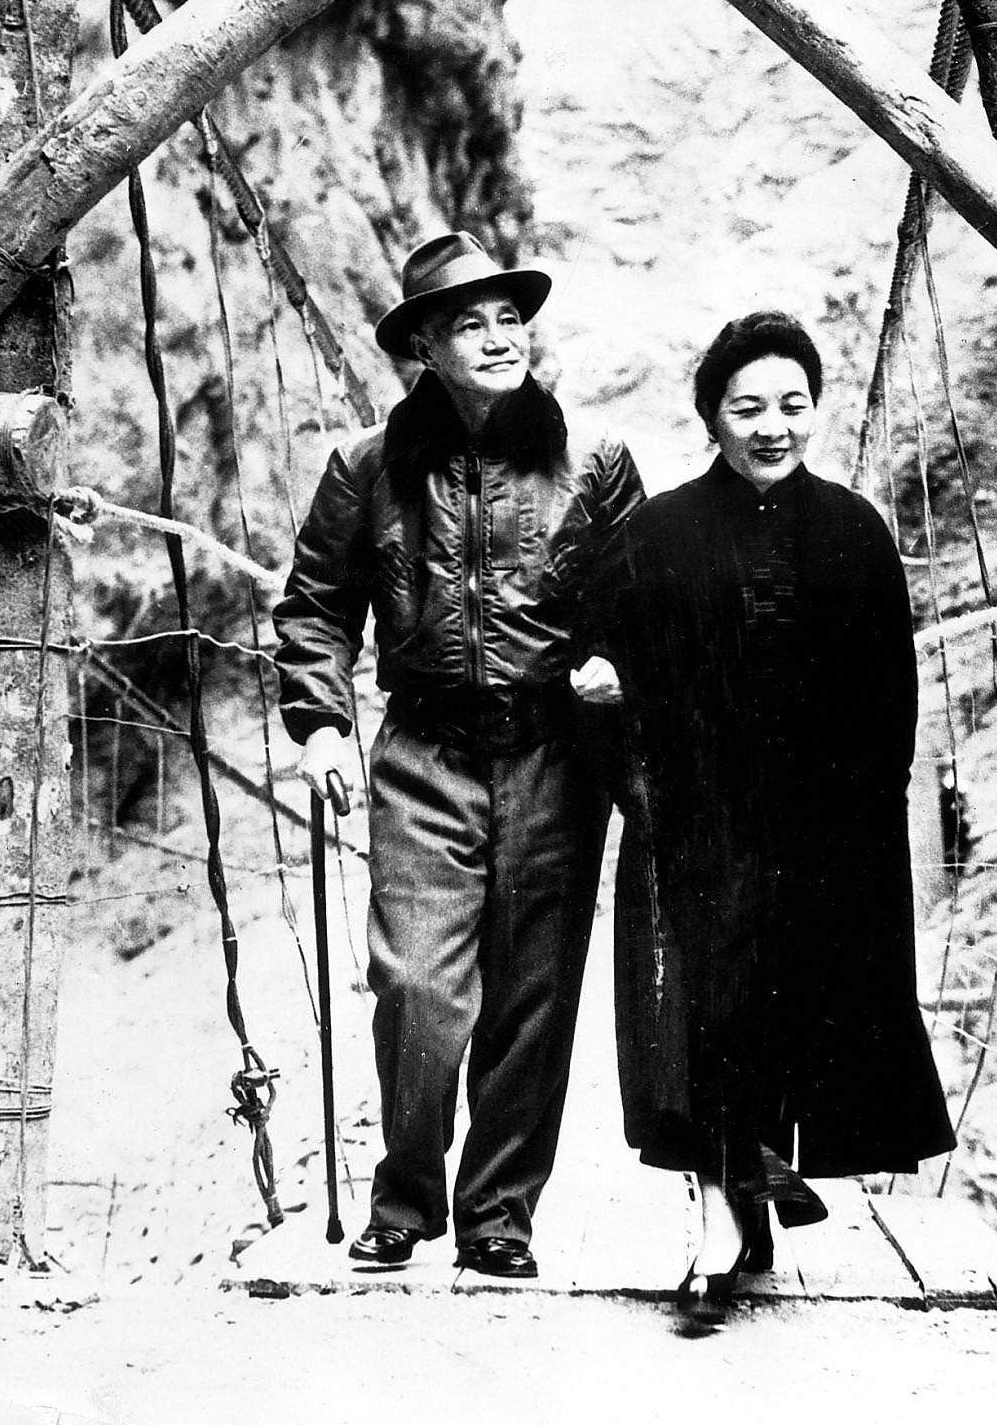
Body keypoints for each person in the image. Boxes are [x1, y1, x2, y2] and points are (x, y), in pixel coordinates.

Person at [274, 231, 644, 1280]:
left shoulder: (596, 460)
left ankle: (498, 1216)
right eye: (469, 323)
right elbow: (315, 607)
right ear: (425, 348)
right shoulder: (364, 467)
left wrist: (617, 661)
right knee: (417, 987)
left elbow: (641, 596)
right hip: (424, 754)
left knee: (533, 998)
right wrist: (320, 722)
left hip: (554, 755)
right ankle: (405, 1196)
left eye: (509, 317)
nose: (497, 338)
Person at [585, 309, 954, 1306]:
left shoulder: (856, 531)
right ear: (711, 415)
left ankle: (753, 1194)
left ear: (815, 410)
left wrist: (866, 823)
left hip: (827, 828)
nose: (772, 426)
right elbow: (602, 668)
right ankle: (718, 1217)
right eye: (747, 407)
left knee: (799, 1017)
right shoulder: (658, 533)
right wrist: (633, 749)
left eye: (792, 404)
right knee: (706, 1009)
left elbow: (891, 697)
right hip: (698, 824)